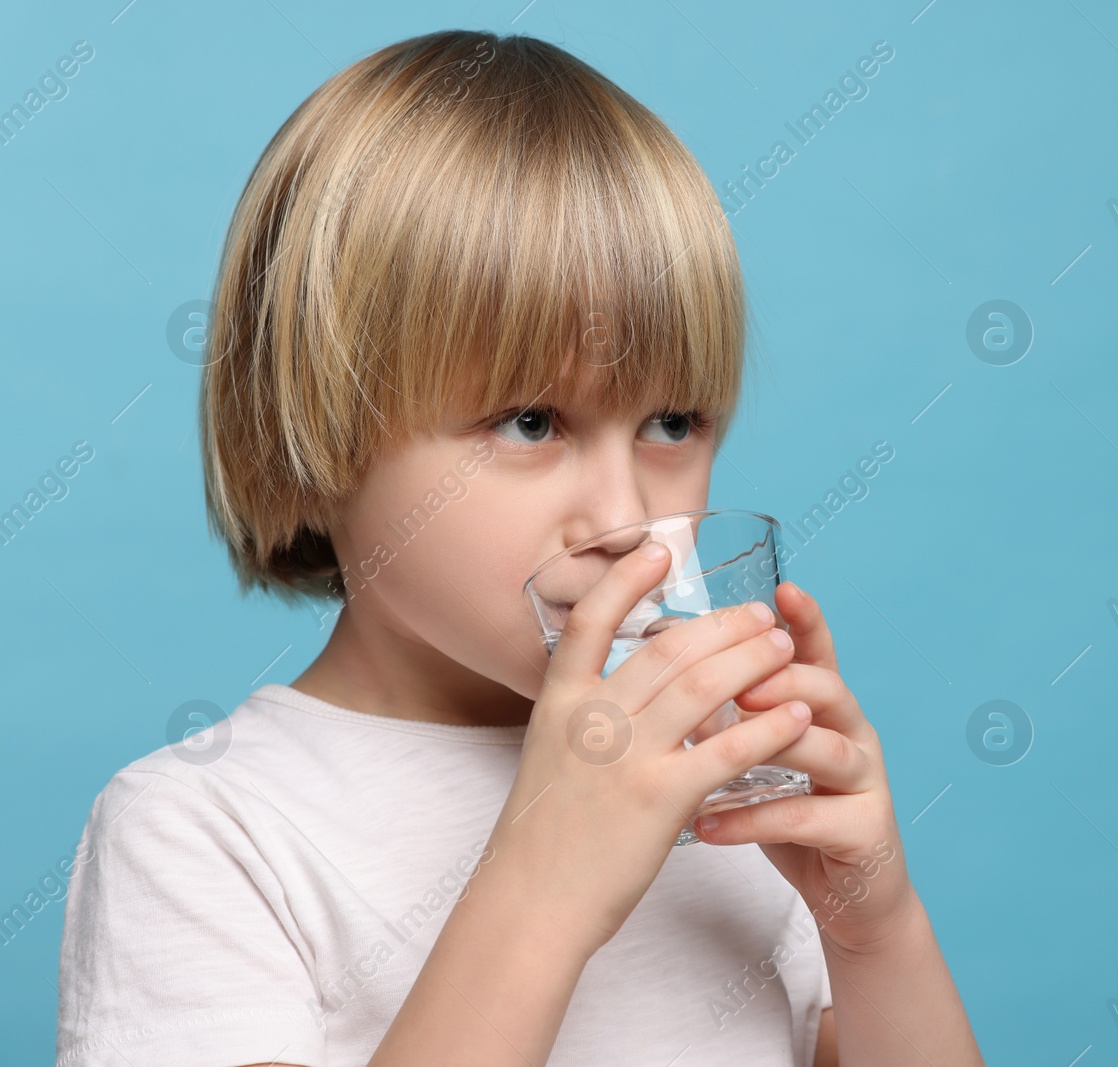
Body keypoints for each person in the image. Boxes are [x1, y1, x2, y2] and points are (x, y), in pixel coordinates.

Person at [54, 29, 984, 1067]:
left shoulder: (720, 793)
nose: (628, 517)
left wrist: (876, 930)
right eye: (532, 423)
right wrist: (544, 886)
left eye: (672, 421)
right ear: (312, 437)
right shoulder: (206, 830)